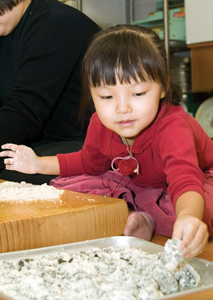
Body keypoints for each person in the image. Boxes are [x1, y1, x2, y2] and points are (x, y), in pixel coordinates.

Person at [1, 24, 212, 258]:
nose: (123, 108)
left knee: (203, 207)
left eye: (138, 94)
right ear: (92, 94)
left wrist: (189, 217)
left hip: (199, 177)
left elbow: (186, 179)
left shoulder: (172, 126)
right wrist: (38, 164)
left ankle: (150, 216)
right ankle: (144, 216)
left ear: (162, 87)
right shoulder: (101, 124)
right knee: (84, 189)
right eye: (107, 96)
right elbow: (88, 162)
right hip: (143, 182)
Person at [0, 0, 100, 184]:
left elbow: (25, 111)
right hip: (44, 140)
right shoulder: (6, 29)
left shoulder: (55, 25)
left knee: (10, 175)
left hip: (90, 142)